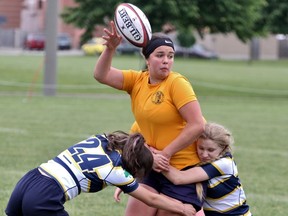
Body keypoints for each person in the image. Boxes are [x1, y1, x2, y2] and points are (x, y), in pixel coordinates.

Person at [94, 20, 205, 215]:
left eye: (170, 56)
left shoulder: (177, 83)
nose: (166, 61)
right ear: (147, 59)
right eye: (160, 55)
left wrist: (166, 153)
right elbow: (101, 75)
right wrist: (110, 49)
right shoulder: (137, 80)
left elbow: (197, 125)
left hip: (182, 170)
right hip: (151, 167)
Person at [5, 131, 196, 216]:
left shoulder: (102, 140)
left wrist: (149, 152)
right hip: (45, 194)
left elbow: (133, 143)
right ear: (135, 166)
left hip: (30, 180)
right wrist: (182, 209)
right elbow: (151, 199)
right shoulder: (115, 170)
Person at [161, 122, 252, 216]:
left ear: (223, 148)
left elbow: (179, 178)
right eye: (201, 148)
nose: (204, 154)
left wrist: (157, 159)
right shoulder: (200, 161)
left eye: (210, 150)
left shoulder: (224, 164)